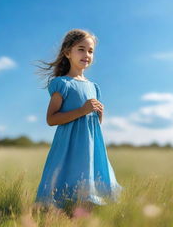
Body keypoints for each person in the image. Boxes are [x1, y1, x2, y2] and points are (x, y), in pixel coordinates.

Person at [34, 29, 123, 219]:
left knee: (88, 186)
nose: (87, 55)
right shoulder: (62, 84)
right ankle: (58, 218)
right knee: (67, 182)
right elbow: (51, 119)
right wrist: (82, 110)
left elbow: (95, 124)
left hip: (90, 147)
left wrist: (99, 113)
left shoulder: (94, 87)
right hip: (69, 147)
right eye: (81, 49)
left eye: (90, 51)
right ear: (67, 52)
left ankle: (80, 219)